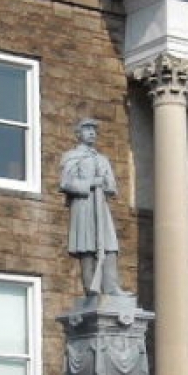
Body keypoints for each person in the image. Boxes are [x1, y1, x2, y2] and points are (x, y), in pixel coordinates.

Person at [60, 119, 128, 296]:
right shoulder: (72, 156)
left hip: (101, 206)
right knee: (87, 247)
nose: (92, 133)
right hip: (84, 205)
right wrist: (91, 183)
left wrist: (106, 184)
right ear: (78, 134)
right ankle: (91, 288)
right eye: (87, 129)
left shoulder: (102, 159)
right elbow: (66, 183)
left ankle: (111, 287)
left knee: (110, 245)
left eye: (94, 130)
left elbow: (112, 187)